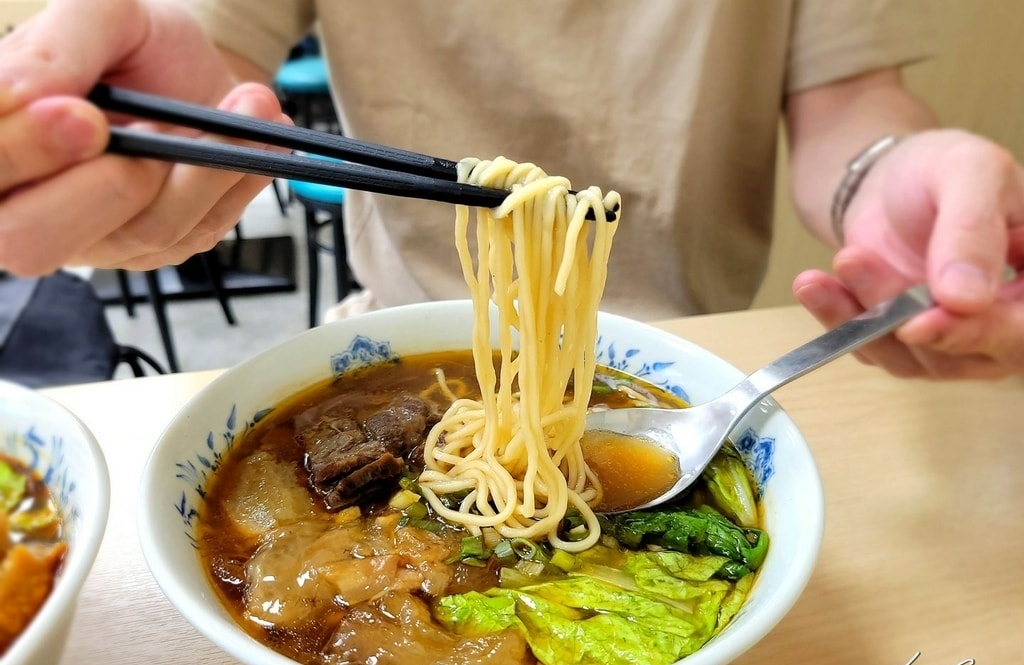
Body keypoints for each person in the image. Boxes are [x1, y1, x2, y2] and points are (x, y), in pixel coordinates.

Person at [0, 0, 1021, 380]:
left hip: (693, 370)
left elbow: (848, 100)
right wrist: (153, 124)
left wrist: (884, 178)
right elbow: (204, 41)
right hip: (399, 339)